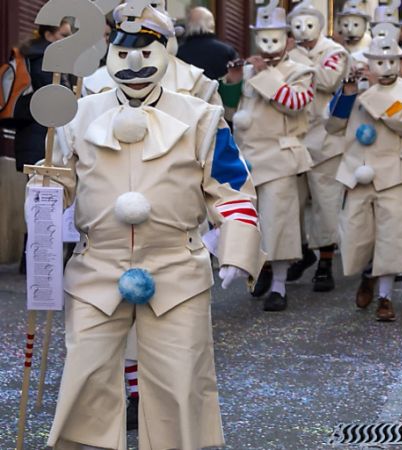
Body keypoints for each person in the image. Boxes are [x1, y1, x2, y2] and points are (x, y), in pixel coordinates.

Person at [36, 5, 262, 448]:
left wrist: (235, 250)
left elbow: (233, 190)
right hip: (96, 268)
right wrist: (41, 199)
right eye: (122, 53)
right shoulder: (77, 116)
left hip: (176, 268)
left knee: (181, 384)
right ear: (108, 55)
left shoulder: (201, 117)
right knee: (86, 381)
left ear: (166, 52)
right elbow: (57, 184)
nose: (134, 65)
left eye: (146, 52)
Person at [326, 29, 402, 321]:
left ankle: (385, 296)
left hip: (393, 173)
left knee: (391, 237)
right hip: (356, 171)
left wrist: (369, 91)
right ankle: (368, 275)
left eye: (390, 62)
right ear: (368, 63)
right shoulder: (357, 88)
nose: (384, 69)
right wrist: (347, 93)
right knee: (357, 233)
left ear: (398, 62)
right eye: (378, 63)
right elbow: (333, 125)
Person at [225, 3, 316, 311]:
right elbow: (229, 110)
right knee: (254, 224)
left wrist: (264, 76)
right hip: (248, 158)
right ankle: (259, 272)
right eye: (262, 38)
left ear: (288, 39)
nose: (268, 45)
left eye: (274, 37)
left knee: (280, 223)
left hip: (280, 156)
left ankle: (279, 285)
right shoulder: (249, 69)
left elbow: (295, 103)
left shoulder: (302, 71)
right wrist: (234, 82)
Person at [285, 0, 350, 291]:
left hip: (326, 138)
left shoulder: (335, 52)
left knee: (326, 203)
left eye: (309, 23)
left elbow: (327, 79)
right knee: (289, 203)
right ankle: (298, 251)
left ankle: (325, 259)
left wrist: (291, 62)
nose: (303, 31)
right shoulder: (286, 53)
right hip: (293, 138)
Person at [13, 20, 72, 172]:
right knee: (40, 189)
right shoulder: (43, 59)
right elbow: (54, 94)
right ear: (48, 35)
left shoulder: (35, 54)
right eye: (63, 35)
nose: (68, 40)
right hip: (40, 134)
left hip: (32, 132)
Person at [176, 6, 239, 80]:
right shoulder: (227, 51)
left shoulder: (179, 53)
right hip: (219, 91)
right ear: (211, 24)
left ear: (188, 25)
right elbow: (236, 79)